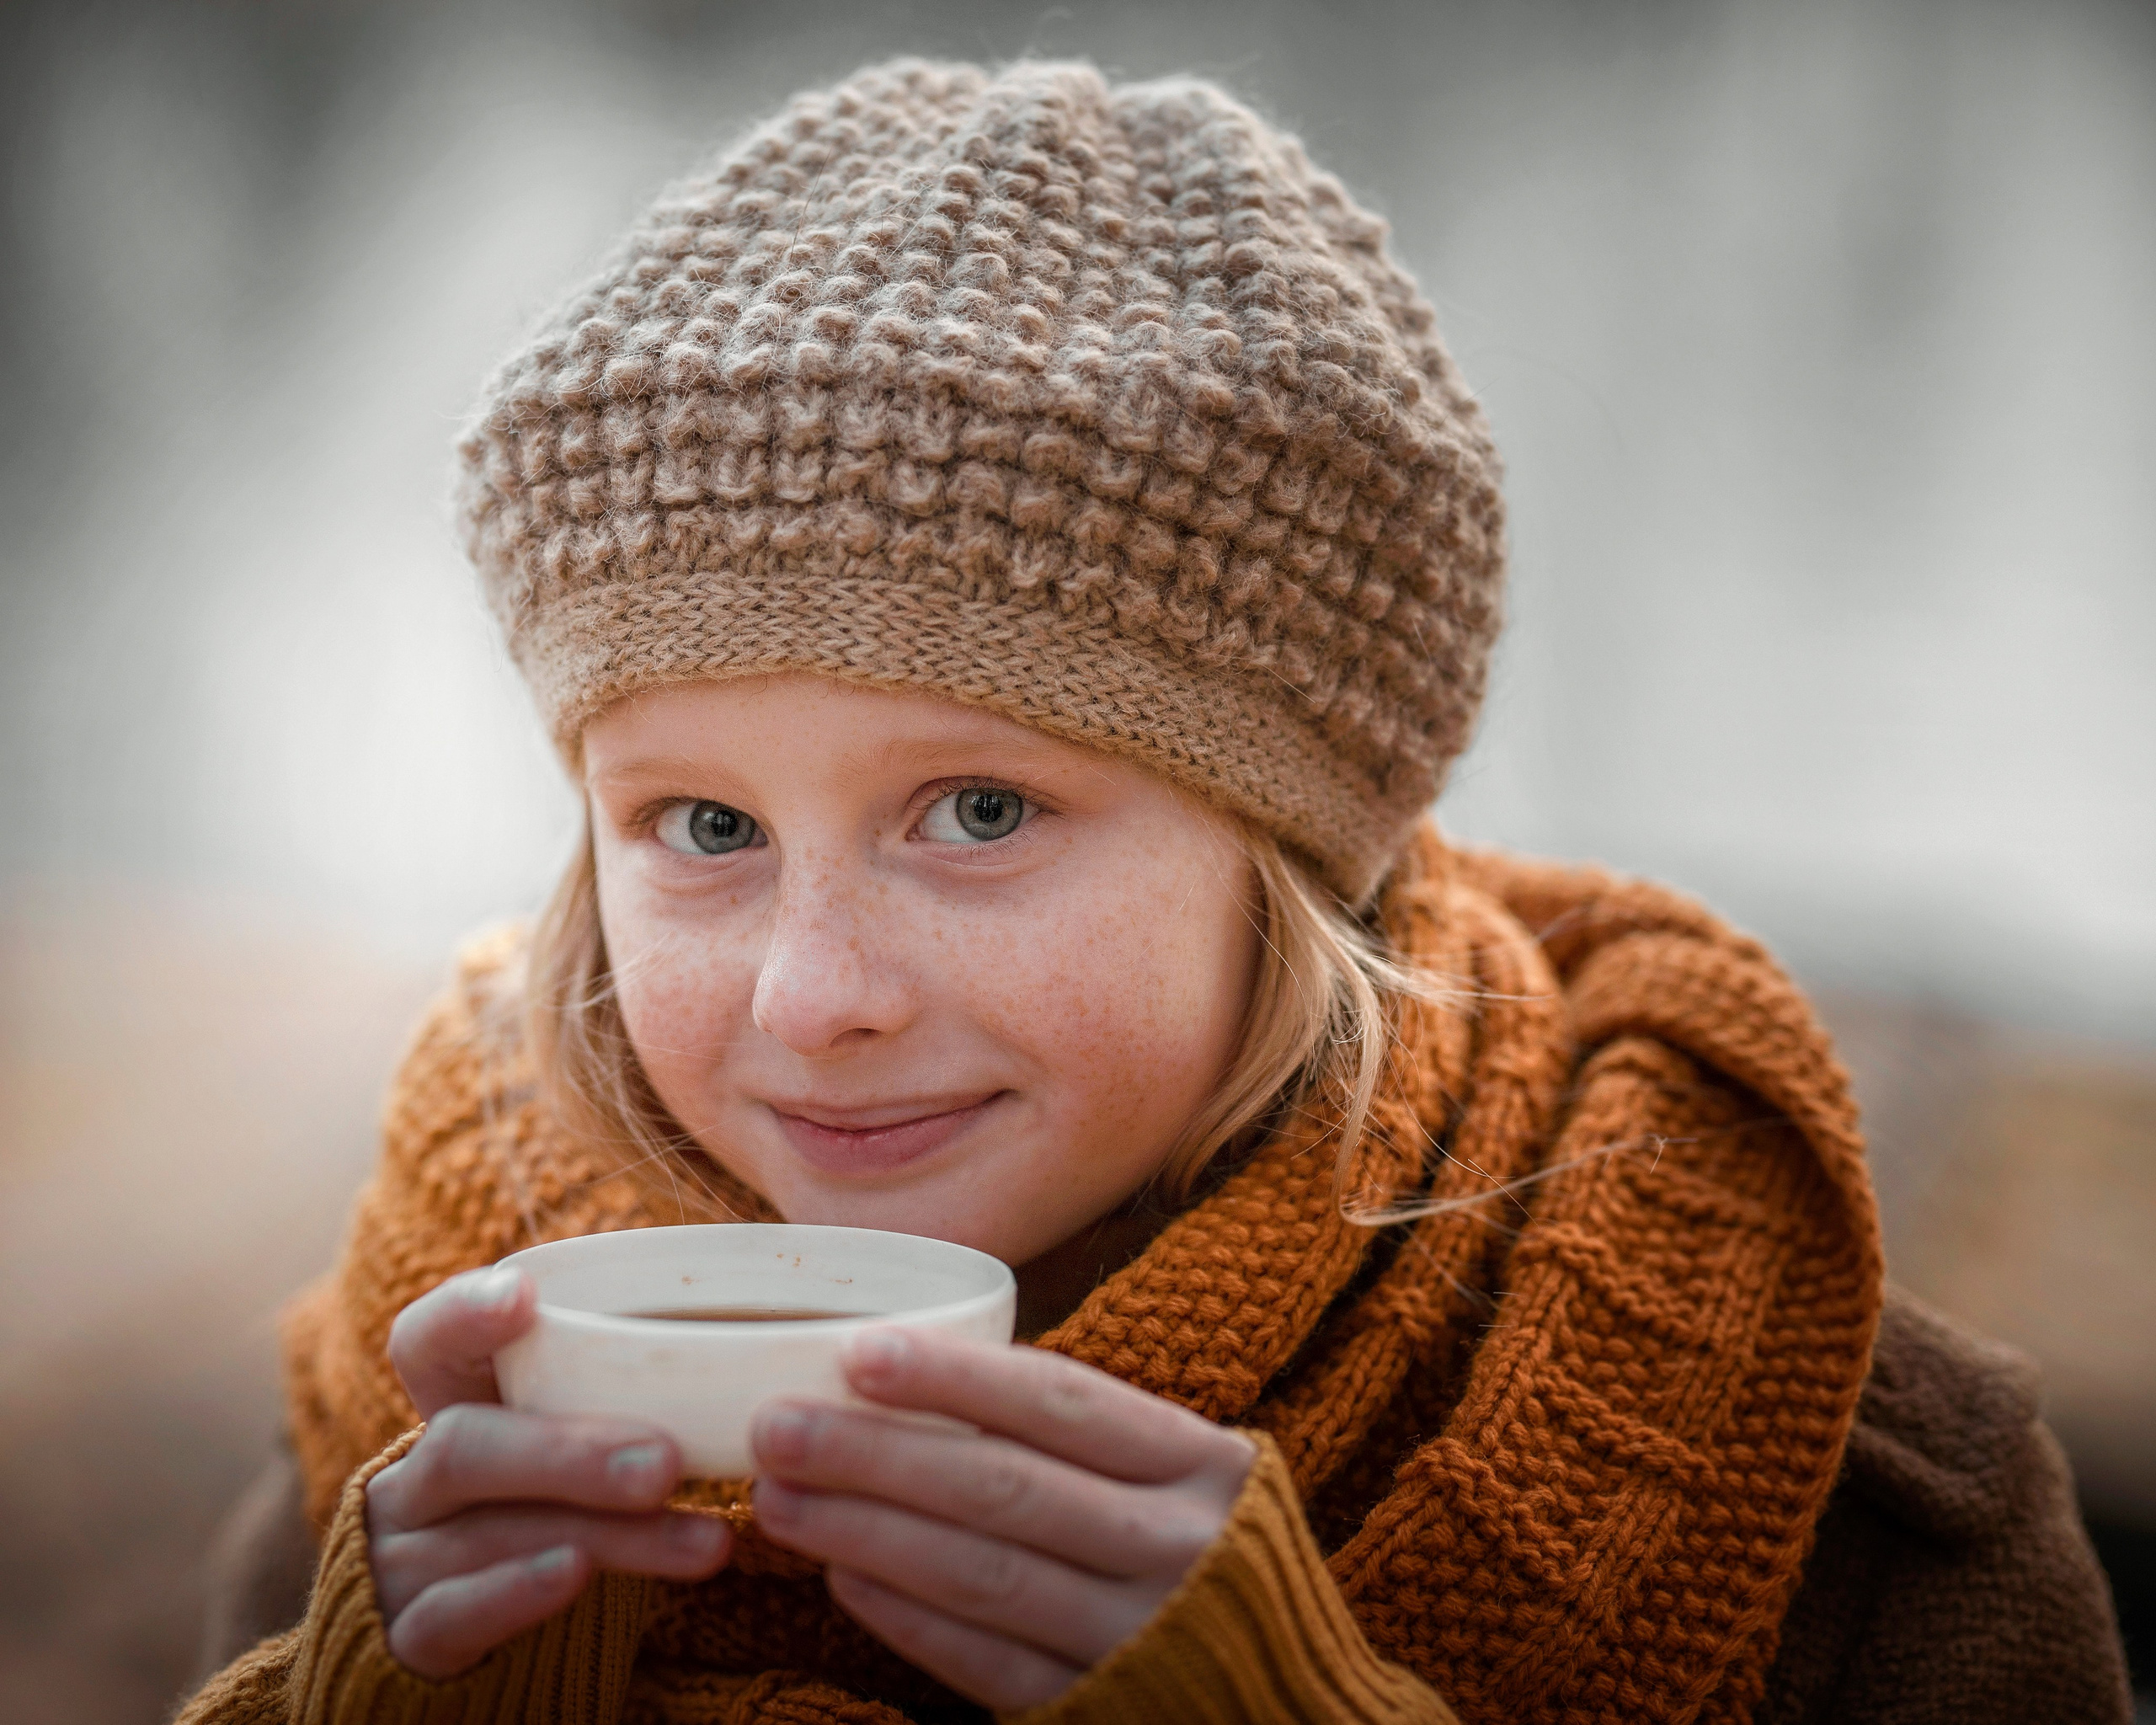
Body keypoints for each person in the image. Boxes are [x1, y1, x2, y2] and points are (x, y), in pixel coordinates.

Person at [176, 54, 2132, 1725]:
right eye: (700, 828)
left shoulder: (1819, 1472)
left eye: (975, 812)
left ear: (1292, 844)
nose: (808, 997)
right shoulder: (431, 1374)